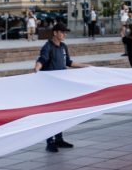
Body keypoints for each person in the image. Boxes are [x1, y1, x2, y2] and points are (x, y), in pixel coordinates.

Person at [34, 24, 90, 152]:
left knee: (60, 113)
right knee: (50, 115)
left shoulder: (63, 46)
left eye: (65, 32)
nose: (65, 34)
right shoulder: (47, 47)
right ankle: (50, 142)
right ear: (55, 33)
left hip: (61, 86)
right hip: (50, 87)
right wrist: (37, 69)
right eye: (62, 32)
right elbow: (42, 60)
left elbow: (68, 62)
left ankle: (59, 139)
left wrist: (85, 66)